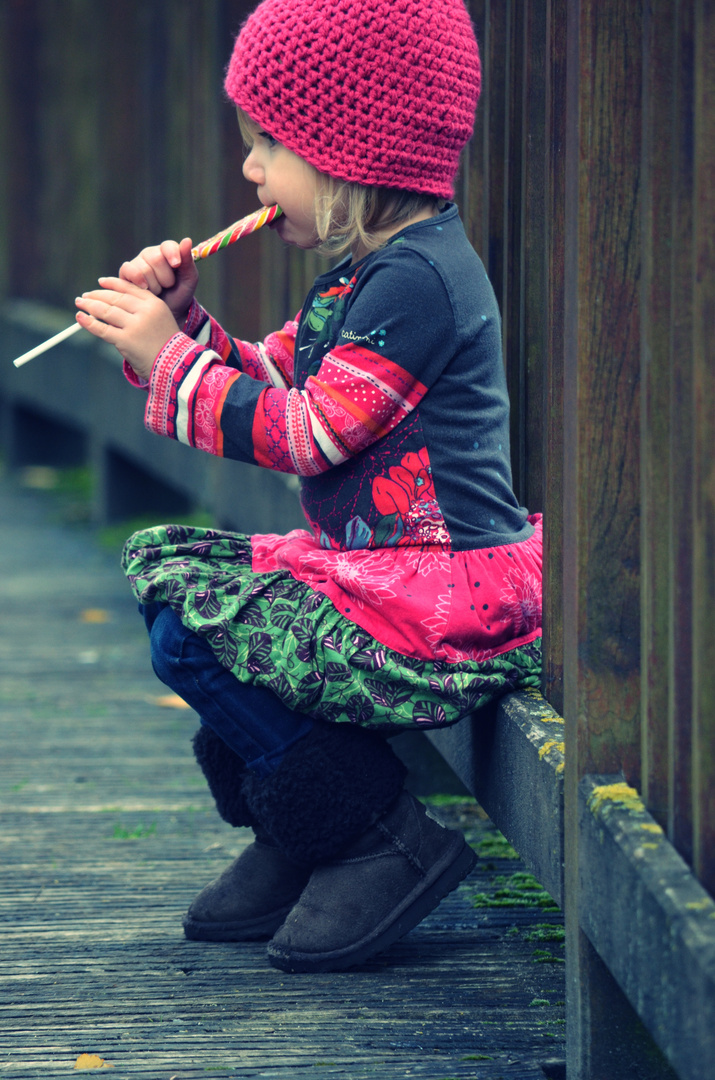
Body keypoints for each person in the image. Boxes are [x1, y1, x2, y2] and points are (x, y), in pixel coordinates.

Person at [74, 0, 542, 974]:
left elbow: (309, 435)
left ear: (349, 150)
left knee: (195, 633)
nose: (247, 171)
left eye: (268, 145)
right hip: (379, 573)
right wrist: (187, 328)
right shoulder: (364, 274)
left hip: (440, 592)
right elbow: (278, 380)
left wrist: (170, 364)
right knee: (181, 605)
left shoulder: (418, 285)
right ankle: (307, 830)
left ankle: (371, 832)